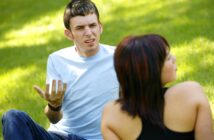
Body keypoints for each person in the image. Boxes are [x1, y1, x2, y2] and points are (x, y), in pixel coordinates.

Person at [2, 0, 119, 139]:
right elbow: (54, 119)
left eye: (92, 25)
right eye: (80, 28)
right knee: (12, 117)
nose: (88, 32)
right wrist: (54, 106)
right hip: (62, 136)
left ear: (100, 27)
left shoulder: (119, 57)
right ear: (69, 34)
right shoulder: (57, 60)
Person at [101, 34, 214, 140]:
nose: (174, 58)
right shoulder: (191, 92)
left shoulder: (111, 114)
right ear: (151, 70)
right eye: (168, 58)